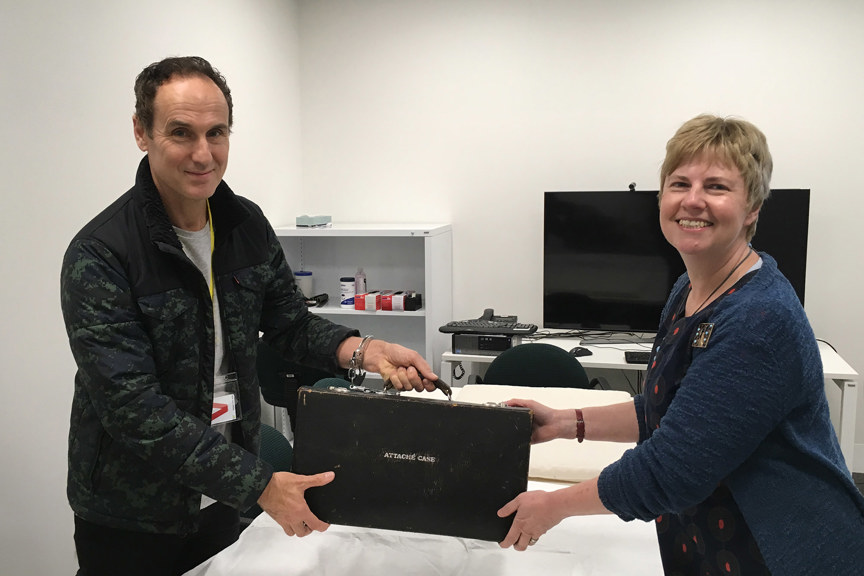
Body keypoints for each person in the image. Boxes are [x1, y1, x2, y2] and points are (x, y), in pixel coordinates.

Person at [60, 56, 439, 576]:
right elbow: (133, 409)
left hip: (222, 498)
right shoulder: (101, 254)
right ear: (140, 132)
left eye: (217, 133)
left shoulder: (245, 225)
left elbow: (291, 323)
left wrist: (366, 351)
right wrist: (258, 484)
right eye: (180, 132)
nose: (202, 154)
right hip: (133, 515)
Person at [497, 115, 864, 575]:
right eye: (679, 183)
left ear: (752, 208)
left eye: (716, 186)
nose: (692, 200)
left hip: (785, 550)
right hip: (714, 543)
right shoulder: (688, 291)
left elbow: (670, 470)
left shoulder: (758, 319)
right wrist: (564, 422)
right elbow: (669, 410)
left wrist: (552, 506)